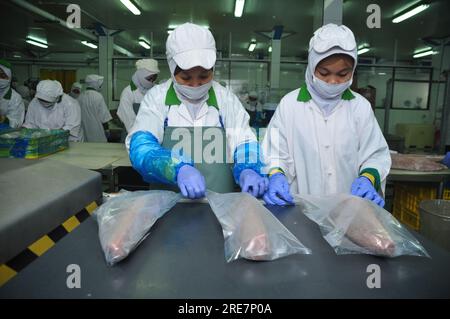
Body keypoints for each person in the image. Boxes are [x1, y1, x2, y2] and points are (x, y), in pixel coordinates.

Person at [126, 23, 267, 199]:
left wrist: (248, 168)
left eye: (203, 76)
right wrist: (175, 168)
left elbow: (244, 140)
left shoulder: (226, 99)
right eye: (185, 77)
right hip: (167, 207)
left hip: (220, 206)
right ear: (171, 70)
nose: (195, 85)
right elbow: (141, 147)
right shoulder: (157, 98)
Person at [261, 23, 391, 207]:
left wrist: (368, 179)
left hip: (350, 212)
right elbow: (274, 152)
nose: (332, 81)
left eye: (342, 74)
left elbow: (375, 154)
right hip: (300, 209)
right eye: (324, 73)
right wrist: (276, 175)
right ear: (312, 66)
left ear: (352, 71)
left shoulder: (360, 107)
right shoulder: (290, 105)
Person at [117, 59, 160, 133]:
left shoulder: (157, 90)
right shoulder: (129, 92)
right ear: (140, 75)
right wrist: (139, 137)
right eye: (149, 78)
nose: (152, 82)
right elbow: (128, 119)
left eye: (154, 78)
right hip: (133, 135)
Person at [78, 74, 112, 142]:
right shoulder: (98, 96)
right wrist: (107, 129)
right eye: (100, 85)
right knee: (99, 150)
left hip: (84, 130)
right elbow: (104, 117)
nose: (101, 86)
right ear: (95, 84)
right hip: (97, 130)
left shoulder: (80, 96)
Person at [0, 59, 25, 128]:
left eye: (3, 76)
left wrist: (4, 119)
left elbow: (16, 122)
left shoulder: (15, 98)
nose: (0, 79)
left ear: (9, 77)